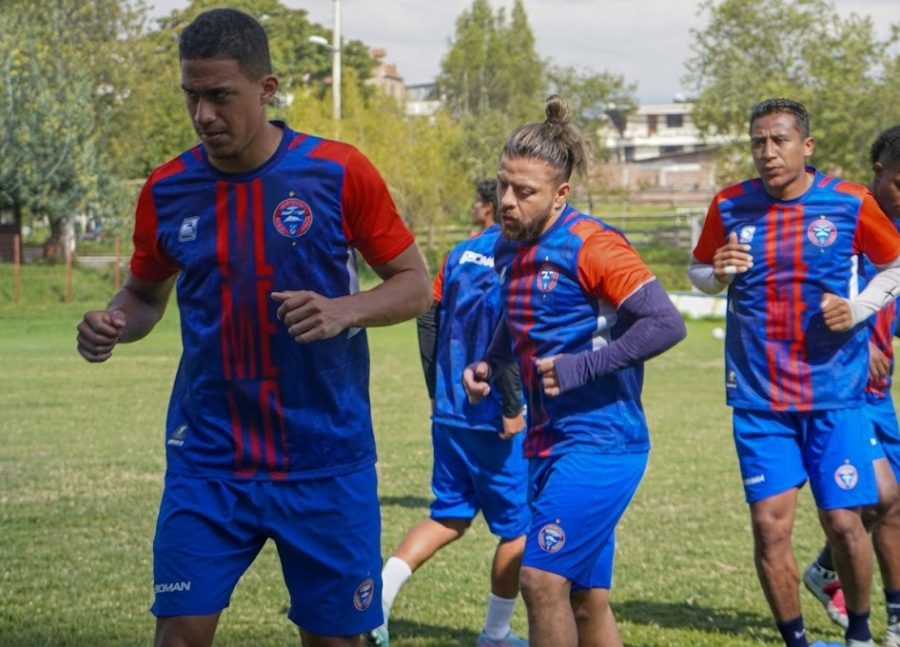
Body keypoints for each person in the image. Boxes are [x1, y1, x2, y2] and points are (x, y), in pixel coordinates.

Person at [75, 8, 431, 647]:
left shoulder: (338, 171)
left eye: (219, 95)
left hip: (325, 460)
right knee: (178, 636)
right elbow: (144, 296)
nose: (203, 115)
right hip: (209, 460)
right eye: (191, 96)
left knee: (335, 641)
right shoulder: (167, 189)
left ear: (266, 89)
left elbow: (415, 284)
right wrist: (114, 322)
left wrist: (346, 309)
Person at [463, 95, 687, 647]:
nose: (507, 201)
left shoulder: (594, 245)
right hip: (547, 442)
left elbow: (666, 323)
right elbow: (520, 313)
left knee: (541, 581)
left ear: (561, 194)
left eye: (524, 191)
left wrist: (583, 367)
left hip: (603, 443)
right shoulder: (508, 246)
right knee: (586, 601)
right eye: (503, 185)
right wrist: (491, 360)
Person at [688, 99, 900, 647]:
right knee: (769, 527)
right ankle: (797, 641)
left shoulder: (849, 202)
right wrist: (716, 274)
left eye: (779, 140)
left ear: (806, 146)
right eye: (758, 142)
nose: (768, 152)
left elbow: (893, 265)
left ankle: (859, 634)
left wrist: (858, 309)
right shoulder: (730, 203)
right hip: (759, 398)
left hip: (834, 394)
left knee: (845, 523)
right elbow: (698, 271)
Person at [368, 179, 529, 647]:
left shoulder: (458, 254)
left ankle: (378, 601)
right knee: (521, 530)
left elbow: (427, 316)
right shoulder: (519, 257)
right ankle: (496, 634)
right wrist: (513, 406)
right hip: (496, 417)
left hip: (450, 409)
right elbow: (508, 329)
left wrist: (435, 389)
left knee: (450, 516)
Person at [803, 125, 900, 647]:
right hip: (840, 387)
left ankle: (886, 614)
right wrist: (860, 347)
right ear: (878, 172)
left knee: (890, 505)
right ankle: (848, 597)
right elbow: (808, 298)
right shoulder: (842, 219)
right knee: (880, 497)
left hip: (880, 394)